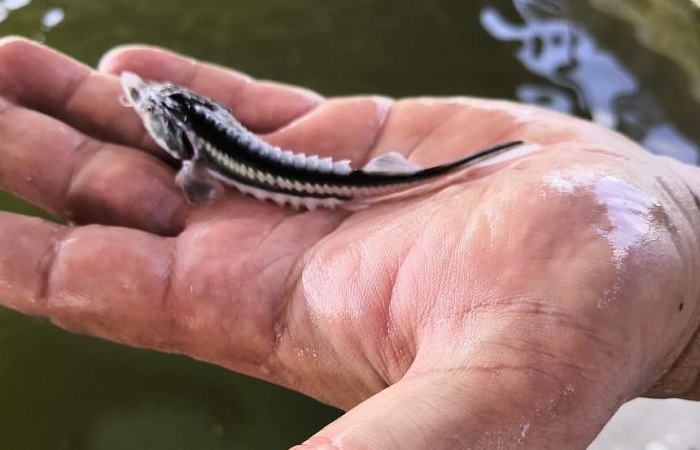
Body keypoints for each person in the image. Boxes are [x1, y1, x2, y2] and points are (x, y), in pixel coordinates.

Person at [0, 36, 698, 449]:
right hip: (306, 170)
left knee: (376, 184)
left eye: (149, 106)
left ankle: (462, 168)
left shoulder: (197, 162)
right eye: (145, 106)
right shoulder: (207, 137)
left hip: (325, 181)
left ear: (186, 144)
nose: (142, 99)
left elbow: (200, 176)